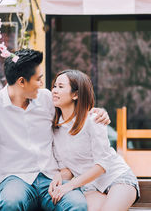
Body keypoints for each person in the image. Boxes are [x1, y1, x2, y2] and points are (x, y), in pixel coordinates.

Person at [0, 49, 110, 211]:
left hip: (52, 176)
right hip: (15, 178)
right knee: (11, 203)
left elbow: (73, 112)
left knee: (76, 204)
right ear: (22, 82)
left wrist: (98, 112)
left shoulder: (46, 99)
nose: (42, 84)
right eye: (38, 79)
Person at [49, 69, 140, 211]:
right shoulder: (55, 128)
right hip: (90, 186)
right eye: (54, 86)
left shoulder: (93, 120)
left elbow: (102, 164)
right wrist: (58, 175)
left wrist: (70, 185)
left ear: (75, 94)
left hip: (118, 178)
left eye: (61, 87)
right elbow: (68, 169)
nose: (54, 90)